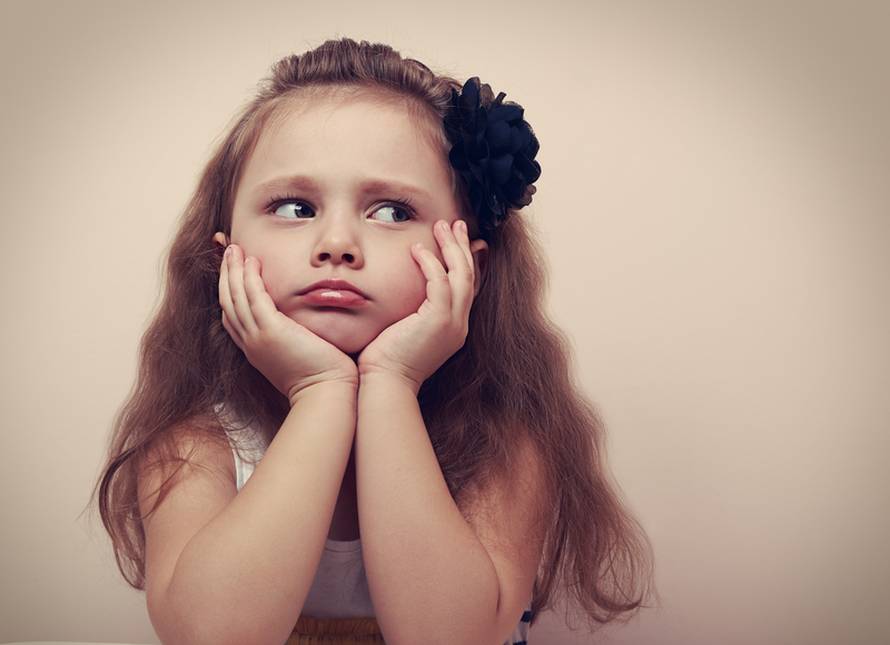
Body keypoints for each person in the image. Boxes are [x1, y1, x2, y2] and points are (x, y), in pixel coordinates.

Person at [90, 37, 659, 644]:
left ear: (469, 268)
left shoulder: (501, 443)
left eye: (391, 212)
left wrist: (391, 381)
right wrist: (322, 390)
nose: (336, 243)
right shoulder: (197, 442)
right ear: (224, 255)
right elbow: (213, 636)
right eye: (293, 206)